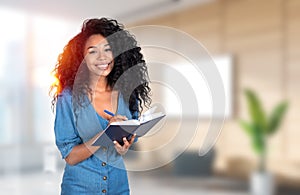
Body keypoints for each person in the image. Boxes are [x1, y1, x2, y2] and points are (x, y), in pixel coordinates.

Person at [50, 18, 151, 195]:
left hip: (118, 186)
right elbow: (71, 157)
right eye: (92, 52)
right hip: (80, 188)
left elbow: (130, 137)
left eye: (108, 49)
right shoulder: (67, 97)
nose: (102, 57)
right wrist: (105, 135)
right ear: (81, 59)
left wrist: (124, 146)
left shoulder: (127, 93)